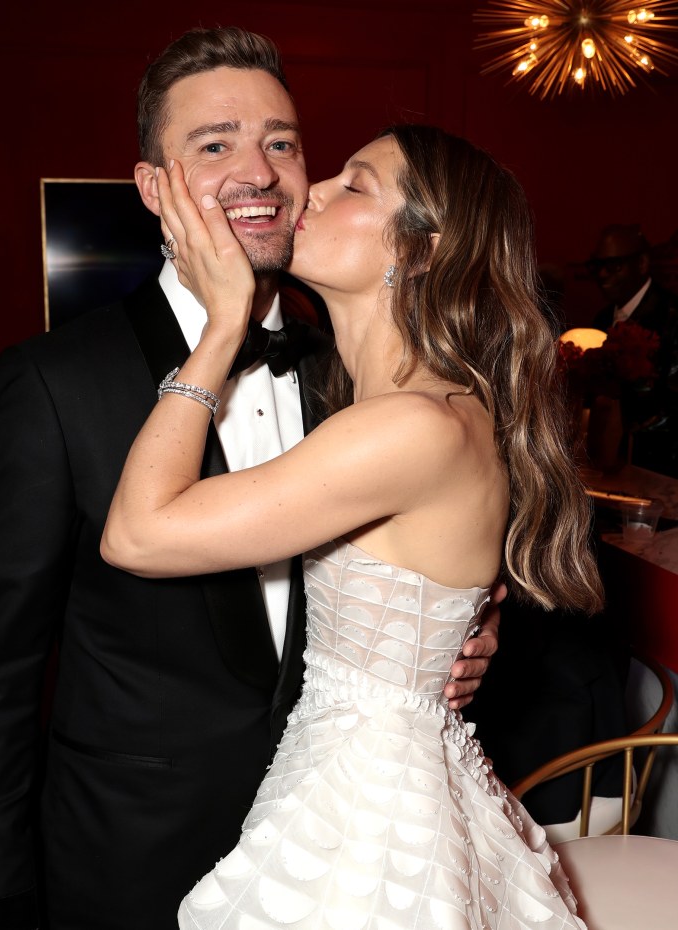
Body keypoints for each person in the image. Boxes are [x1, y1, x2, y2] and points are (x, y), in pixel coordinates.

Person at [0, 28, 498, 930]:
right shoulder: (56, 382)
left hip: (342, 854)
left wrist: (461, 630)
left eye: (281, 142)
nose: (261, 172)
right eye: (215, 144)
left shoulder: (353, 371)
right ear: (153, 188)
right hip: (132, 859)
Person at [102, 125, 603, 928]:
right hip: (349, 768)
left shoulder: (412, 425)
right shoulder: (397, 407)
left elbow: (137, 536)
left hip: (367, 818)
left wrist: (220, 331)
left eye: (355, 184)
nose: (313, 192)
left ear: (423, 251)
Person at [588, 223, 678, 475]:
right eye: (597, 266)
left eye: (614, 265)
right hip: (604, 465)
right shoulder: (602, 318)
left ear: (641, 264)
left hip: (658, 467)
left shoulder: (670, 317)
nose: (603, 274)